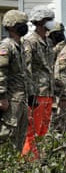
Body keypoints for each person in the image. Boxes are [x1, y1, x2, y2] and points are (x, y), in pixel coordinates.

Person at [22, 5, 56, 159]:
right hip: (36, 94)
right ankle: (28, 162)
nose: (52, 23)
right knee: (32, 131)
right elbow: (25, 69)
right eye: (49, 20)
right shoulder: (30, 42)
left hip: (47, 92)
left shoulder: (48, 42)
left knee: (43, 131)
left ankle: (39, 160)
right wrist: (29, 94)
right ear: (41, 22)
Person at [0, 10, 30, 152]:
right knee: (7, 136)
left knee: (20, 137)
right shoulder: (6, 46)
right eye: (21, 24)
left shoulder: (20, 46)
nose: (24, 27)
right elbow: (1, 72)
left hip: (21, 99)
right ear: (11, 26)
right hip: (10, 100)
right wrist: (2, 97)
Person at [47, 21, 65, 132]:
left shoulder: (61, 47)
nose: (61, 35)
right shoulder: (47, 45)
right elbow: (51, 54)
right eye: (58, 33)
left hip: (58, 85)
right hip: (47, 87)